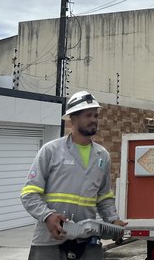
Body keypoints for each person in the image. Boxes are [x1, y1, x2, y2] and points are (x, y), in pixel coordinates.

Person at [21, 91, 127, 260]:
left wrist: (113, 220)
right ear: (73, 118)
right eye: (88, 115)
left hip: (88, 242)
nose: (94, 119)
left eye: (95, 115)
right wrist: (48, 216)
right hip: (50, 240)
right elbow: (29, 194)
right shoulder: (51, 151)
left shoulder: (102, 155)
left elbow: (104, 196)